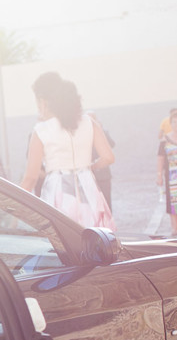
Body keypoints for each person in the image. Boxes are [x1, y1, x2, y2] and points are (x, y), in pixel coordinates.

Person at [19, 72, 115, 230]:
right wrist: (89, 168)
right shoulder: (88, 122)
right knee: (92, 233)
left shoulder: (41, 130)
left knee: (63, 234)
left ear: (43, 101)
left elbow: (31, 178)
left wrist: (12, 206)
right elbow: (108, 157)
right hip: (88, 188)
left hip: (58, 191)